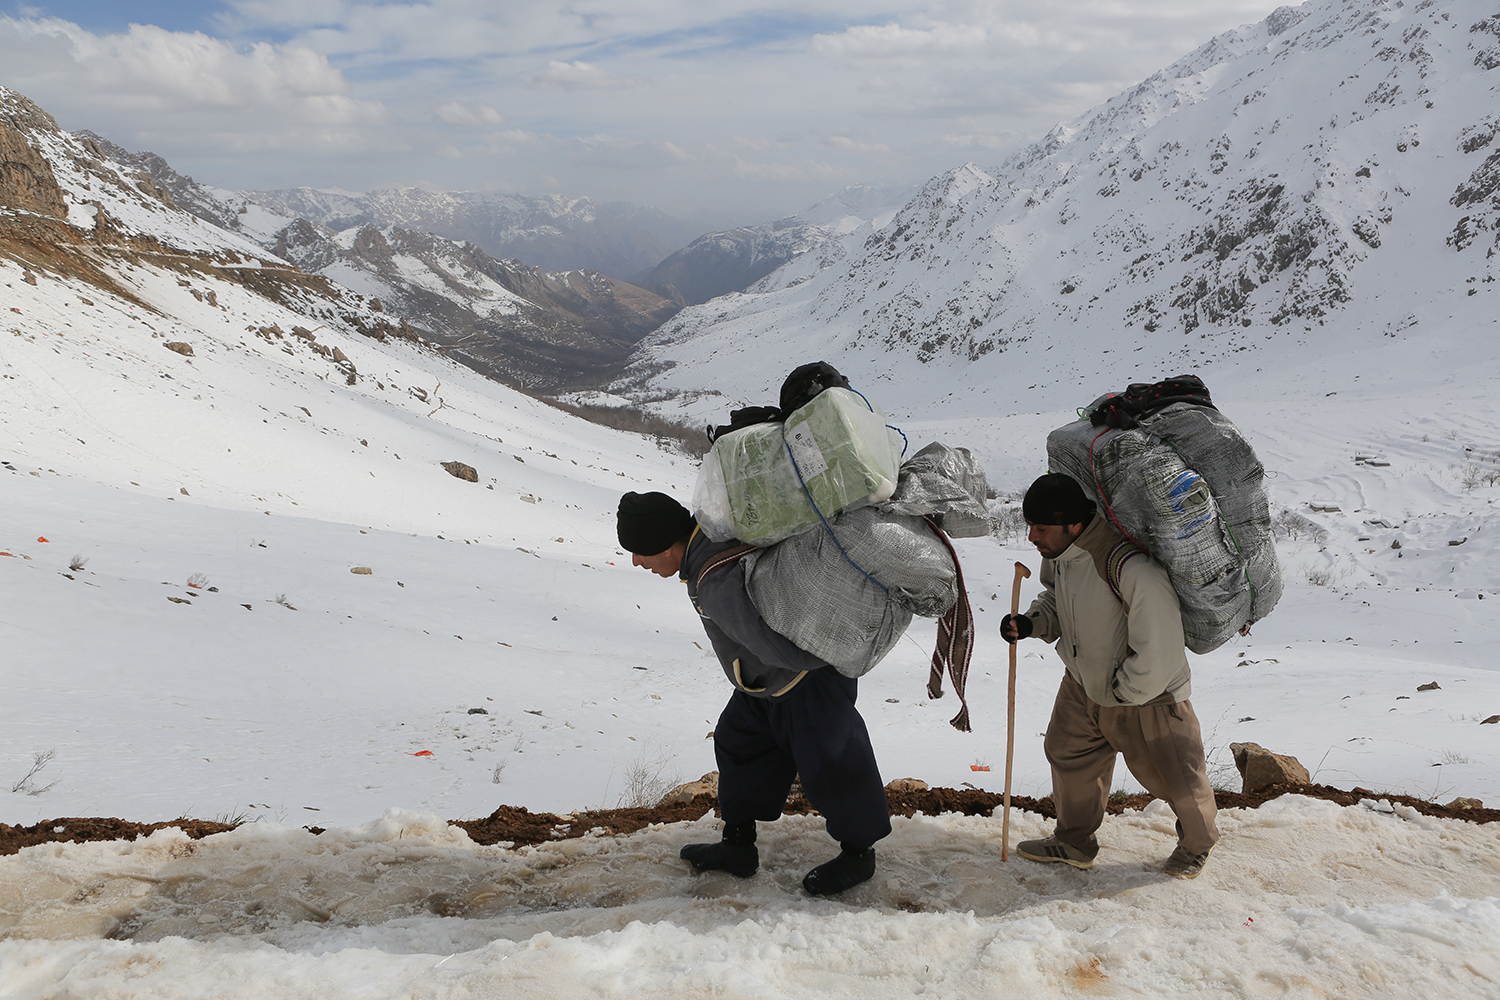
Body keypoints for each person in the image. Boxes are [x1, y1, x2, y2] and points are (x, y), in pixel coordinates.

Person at [617, 489, 892, 895]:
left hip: (803, 681)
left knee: (834, 761)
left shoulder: (714, 580)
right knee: (738, 743)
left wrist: (824, 661)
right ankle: (738, 847)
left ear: (667, 545)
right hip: (762, 683)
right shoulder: (706, 547)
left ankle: (858, 855)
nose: (637, 561)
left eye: (641, 551)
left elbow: (766, 640)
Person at [1001, 473, 1219, 879]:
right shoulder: (1059, 556)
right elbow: (1056, 600)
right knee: (1068, 753)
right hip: (1083, 685)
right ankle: (1074, 841)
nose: (1032, 536)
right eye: (1029, 525)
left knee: (1176, 779)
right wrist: (1033, 624)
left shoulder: (1130, 568)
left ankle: (1196, 845)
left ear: (1074, 525)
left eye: (1041, 527)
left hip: (1146, 697)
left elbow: (1160, 647)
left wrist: (1124, 691)